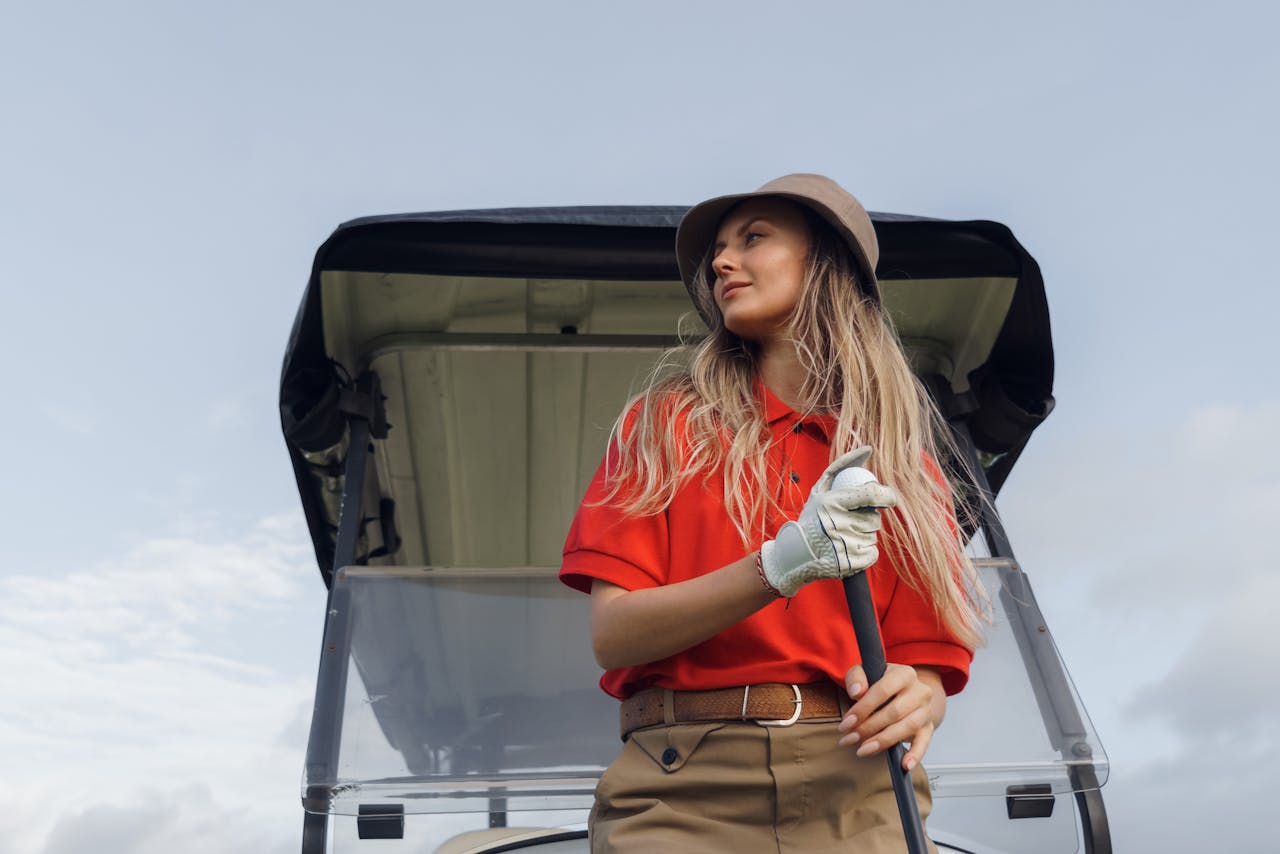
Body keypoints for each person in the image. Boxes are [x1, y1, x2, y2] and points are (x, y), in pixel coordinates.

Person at [559, 174, 985, 853]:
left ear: (827, 264)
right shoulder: (663, 425)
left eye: (753, 238)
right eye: (719, 250)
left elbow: (925, 667)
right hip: (681, 787)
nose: (722, 262)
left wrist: (919, 697)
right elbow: (615, 635)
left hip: (860, 787)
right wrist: (783, 563)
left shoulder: (900, 463)